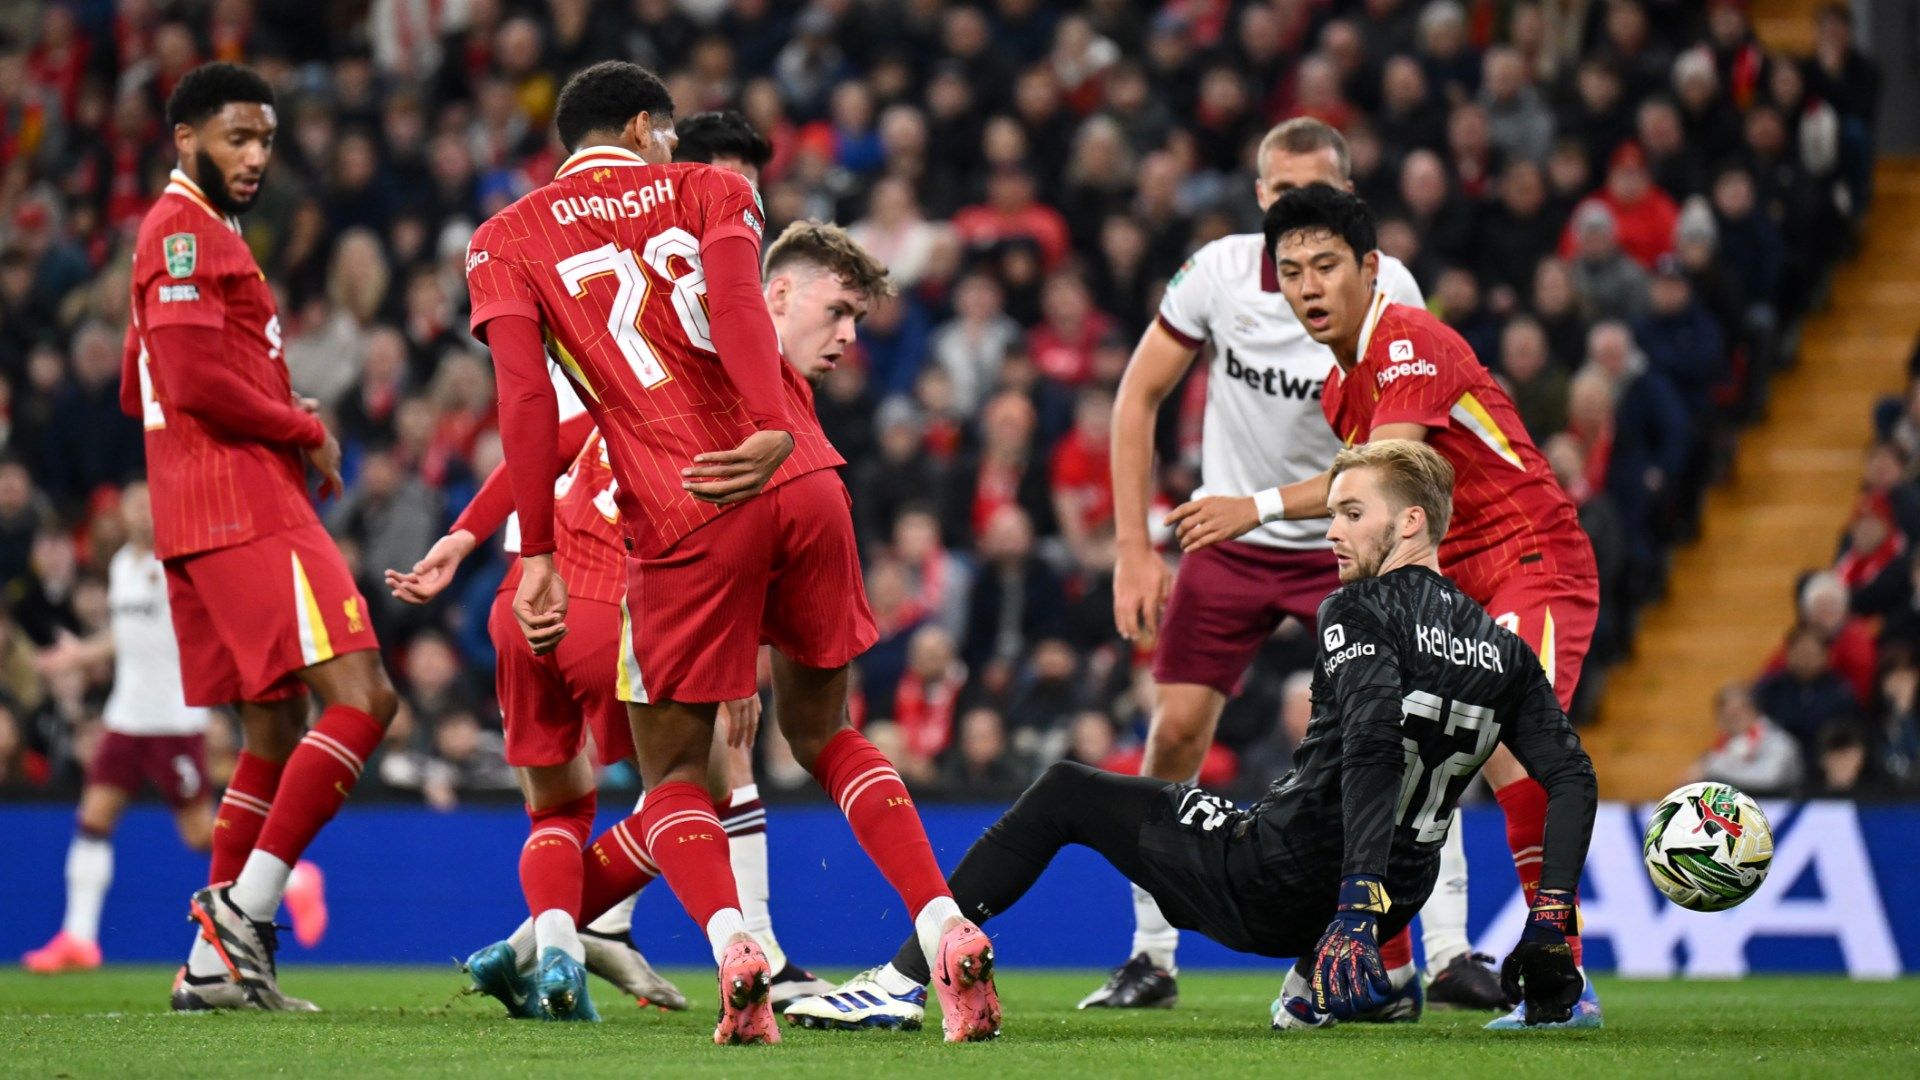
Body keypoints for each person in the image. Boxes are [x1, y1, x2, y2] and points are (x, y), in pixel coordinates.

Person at [464, 62, 996, 1044]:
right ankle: (943, 921)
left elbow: (527, 402)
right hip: (805, 481)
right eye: (668, 134)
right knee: (827, 734)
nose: (674, 150)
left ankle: (735, 950)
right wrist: (767, 424)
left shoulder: (502, 242)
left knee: (674, 773)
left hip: (683, 505)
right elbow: (743, 310)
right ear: (644, 126)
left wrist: (530, 549)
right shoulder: (712, 191)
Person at [789, 441, 1598, 1033]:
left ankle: (898, 983)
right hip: (1395, 899)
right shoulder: (1503, 647)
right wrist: (1552, 912)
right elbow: (1570, 777)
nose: (1332, 531)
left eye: (1352, 513)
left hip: (1287, 876)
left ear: (1413, 521)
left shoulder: (1358, 610)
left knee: (1068, 790)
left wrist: (1353, 899)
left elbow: (1376, 744)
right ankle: (1323, 988)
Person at [1168, 185, 1604, 1029]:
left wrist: (1250, 506)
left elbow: (1381, 478)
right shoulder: (1341, 392)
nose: (1308, 287)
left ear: (1371, 269)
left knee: (1514, 754)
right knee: (1392, 752)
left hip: (1525, 560)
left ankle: (1562, 981)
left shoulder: (1410, 340)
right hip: (1442, 581)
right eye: (1290, 272)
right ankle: (1382, 973)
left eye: (1326, 265)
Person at [1091, 118, 1500, 1015]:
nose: (1291, 216)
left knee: (1414, 730)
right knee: (1174, 737)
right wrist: (1133, 546)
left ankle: (1450, 950)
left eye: (1311, 193)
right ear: (1258, 195)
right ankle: (1151, 956)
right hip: (1229, 540)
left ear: (1350, 206)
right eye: (1277, 194)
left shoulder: (1389, 287)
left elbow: (1400, 452)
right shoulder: (1216, 273)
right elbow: (1137, 395)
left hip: (1343, 541)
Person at [123, 63, 400, 1013]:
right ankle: (242, 914)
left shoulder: (190, 236)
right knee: (365, 698)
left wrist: (277, 403)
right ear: (184, 138)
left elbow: (142, 384)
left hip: (199, 512)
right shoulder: (185, 233)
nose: (254, 156)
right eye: (235, 138)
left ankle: (211, 970)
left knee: (276, 728)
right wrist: (299, 427)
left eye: (266, 140)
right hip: (243, 503)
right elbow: (192, 383)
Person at [385, 371, 689, 1020]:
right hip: (609, 607)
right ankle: (739, 952)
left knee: (556, 811)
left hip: (519, 593)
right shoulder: (700, 403)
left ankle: (552, 952)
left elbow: (541, 448)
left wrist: (462, 538)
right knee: (698, 786)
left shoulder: (593, 379)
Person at [22, 484, 320, 973]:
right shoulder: (120, 564)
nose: (142, 516)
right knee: (93, 819)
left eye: (150, 506)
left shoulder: (185, 562)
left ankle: (296, 880)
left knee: (201, 834)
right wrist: (79, 655)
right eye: (134, 508)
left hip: (175, 720)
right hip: (124, 718)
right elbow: (128, 634)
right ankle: (78, 937)